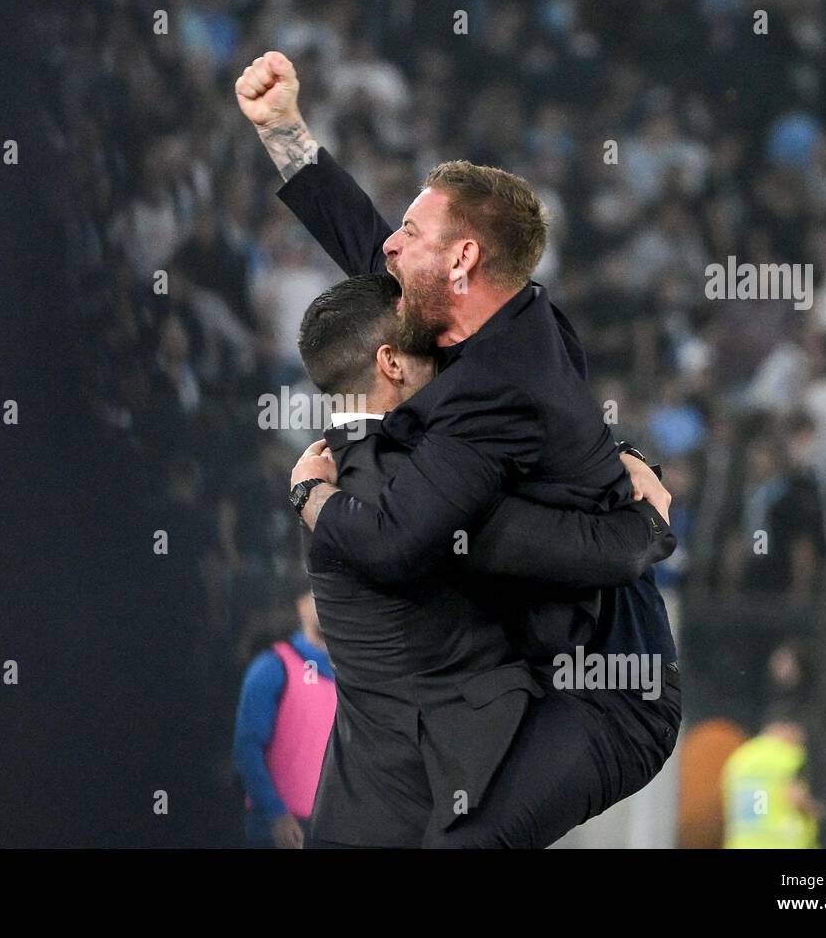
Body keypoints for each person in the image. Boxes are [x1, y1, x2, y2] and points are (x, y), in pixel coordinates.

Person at [238, 53, 683, 844]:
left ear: (463, 258)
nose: (392, 248)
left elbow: (401, 540)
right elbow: (366, 250)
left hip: (608, 693)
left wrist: (310, 494)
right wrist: (285, 133)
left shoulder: (496, 390)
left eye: (411, 232)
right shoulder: (485, 319)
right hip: (533, 669)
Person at [297, 274, 677, 847]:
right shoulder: (417, 487)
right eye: (431, 340)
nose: (451, 350)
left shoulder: (338, 471)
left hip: (364, 797)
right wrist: (649, 515)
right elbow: (593, 551)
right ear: (393, 363)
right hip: (447, 773)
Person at [232, 588, 336, 848]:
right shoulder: (272, 667)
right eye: (317, 594)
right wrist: (276, 815)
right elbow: (247, 748)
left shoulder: (351, 677)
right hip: (275, 829)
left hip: (330, 828)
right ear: (301, 606)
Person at [722, 711, 822, 849]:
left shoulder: (741, 757)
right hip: (782, 843)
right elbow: (794, 797)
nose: (801, 740)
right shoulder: (787, 755)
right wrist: (815, 810)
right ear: (786, 728)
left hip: (743, 844)